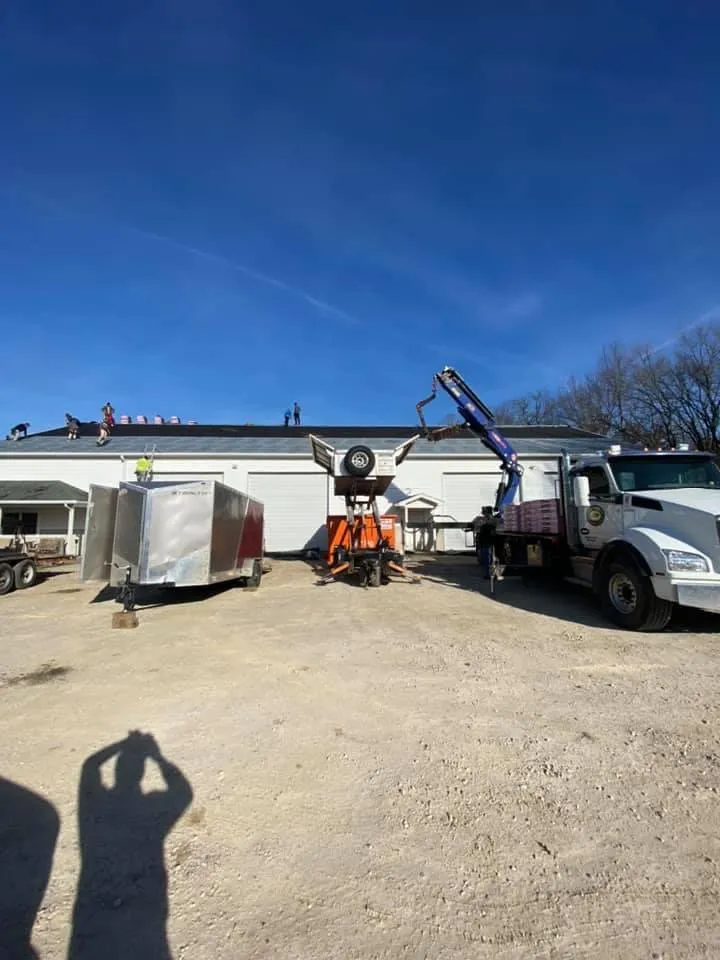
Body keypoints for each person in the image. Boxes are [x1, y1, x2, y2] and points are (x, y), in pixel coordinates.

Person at [474, 506, 497, 580]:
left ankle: (490, 574)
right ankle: (490, 574)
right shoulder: (486, 521)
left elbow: (492, 532)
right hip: (486, 542)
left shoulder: (490, 521)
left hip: (487, 542)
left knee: (488, 559)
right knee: (488, 559)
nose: (484, 514)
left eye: (485, 512)